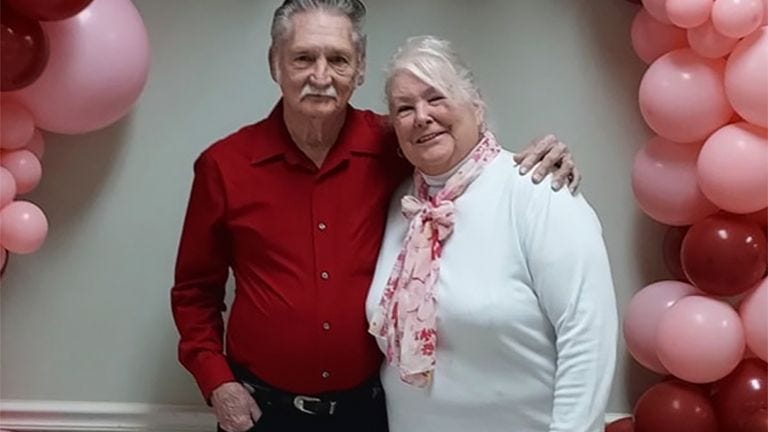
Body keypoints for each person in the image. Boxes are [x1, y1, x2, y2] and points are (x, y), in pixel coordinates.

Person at [171, 1, 580, 432]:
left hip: (368, 413)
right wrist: (217, 382)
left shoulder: (397, 145)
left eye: (339, 60)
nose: (321, 76)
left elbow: (466, 162)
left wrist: (536, 160)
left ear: (360, 68)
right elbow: (194, 293)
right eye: (304, 58)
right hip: (261, 412)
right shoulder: (225, 166)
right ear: (276, 63)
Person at [366, 35, 618, 432]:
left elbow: (587, 335)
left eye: (436, 97)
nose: (422, 116)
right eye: (404, 108)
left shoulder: (536, 191)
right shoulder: (400, 205)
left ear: (476, 104)